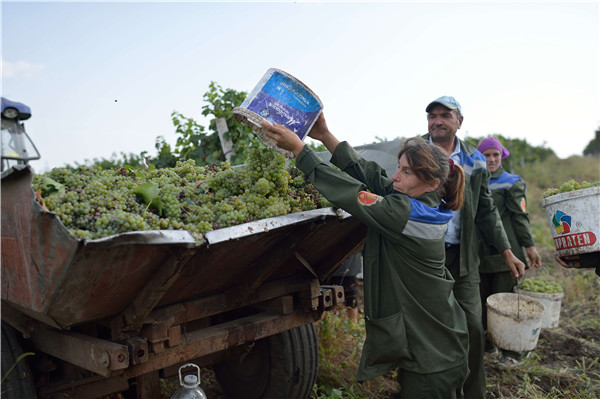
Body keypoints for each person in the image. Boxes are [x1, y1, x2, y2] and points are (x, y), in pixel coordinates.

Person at [263, 116, 469, 399]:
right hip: (439, 343)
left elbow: (352, 193)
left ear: (432, 183)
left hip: (432, 360)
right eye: (399, 168)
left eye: (406, 172)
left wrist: (302, 152)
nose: (396, 176)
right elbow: (374, 176)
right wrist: (325, 135)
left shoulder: (405, 214)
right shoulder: (427, 204)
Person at [422, 96, 526, 399]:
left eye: (445, 115)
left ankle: (472, 392)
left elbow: (486, 210)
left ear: (459, 121)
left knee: (472, 326)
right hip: (425, 258)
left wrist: (507, 251)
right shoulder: (415, 153)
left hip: (464, 257)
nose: (438, 121)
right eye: (432, 116)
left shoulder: (475, 160)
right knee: (426, 328)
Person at [476, 136, 542, 360]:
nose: (492, 159)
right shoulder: (475, 180)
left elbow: (519, 217)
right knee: (483, 300)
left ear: (502, 156)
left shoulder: (511, 182)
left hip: (507, 250)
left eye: (495, 155)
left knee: (506, 299)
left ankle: (512, 351)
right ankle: (488, 345)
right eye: (486, 155)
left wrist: (529, 246)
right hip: (481, 251)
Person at [324, 252, 363, 321]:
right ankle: (322, 326)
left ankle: (352, 326)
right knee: (323, 298)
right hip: (326, 264)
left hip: (348, 264)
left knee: (351, 299)